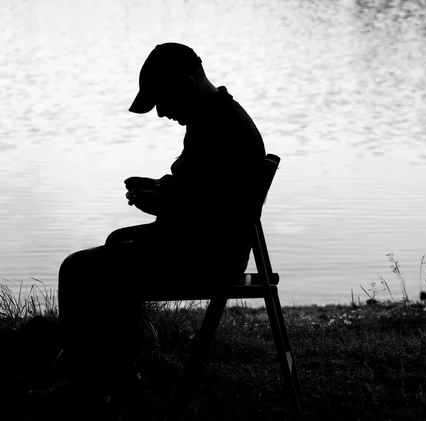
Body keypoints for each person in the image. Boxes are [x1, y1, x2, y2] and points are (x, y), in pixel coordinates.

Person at [29, 42, 266, 408]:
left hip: (208, 257)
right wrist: (161, 188)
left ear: (187, 86)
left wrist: (157, 200)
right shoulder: (217, 118)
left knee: (78, 268)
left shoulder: (219, 127)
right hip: (211, 246)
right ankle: (113, 375)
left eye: (162, 101)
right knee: (115, 246)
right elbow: (204, 192)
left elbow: (203, 208)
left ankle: (92, 382)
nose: (160, 114)